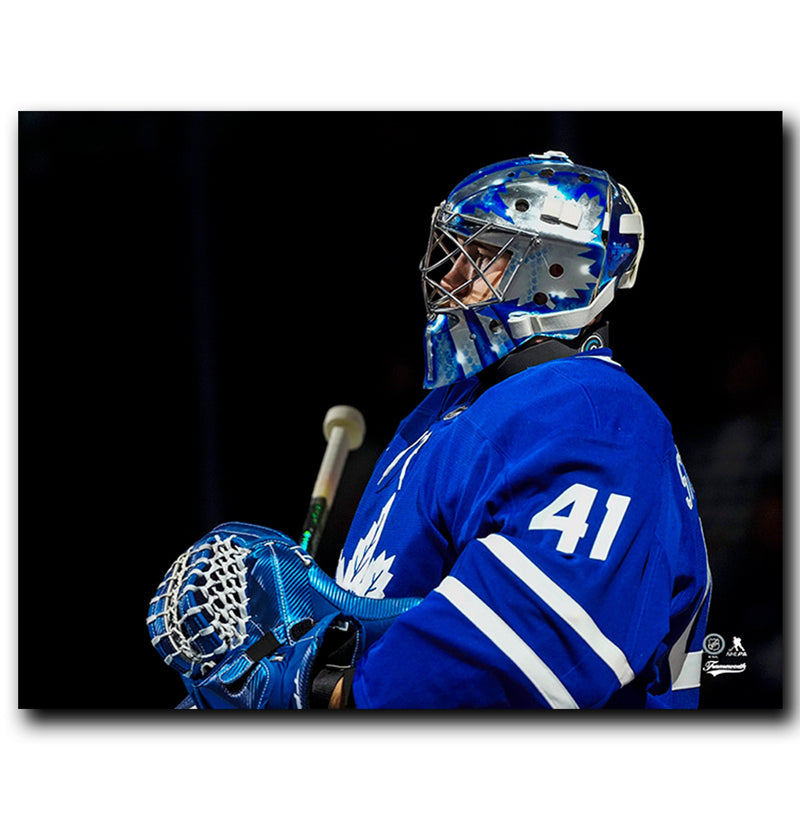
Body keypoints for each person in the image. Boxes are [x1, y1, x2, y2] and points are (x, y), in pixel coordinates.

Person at [148, 151, 711, 709]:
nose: (450, 274)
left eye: (484, 255)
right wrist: (308, 625)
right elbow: (398, 609)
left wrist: (322, 693)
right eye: (451, 252)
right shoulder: (446, 412)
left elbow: (536, 644)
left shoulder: (590, 411)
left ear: (561, 273)